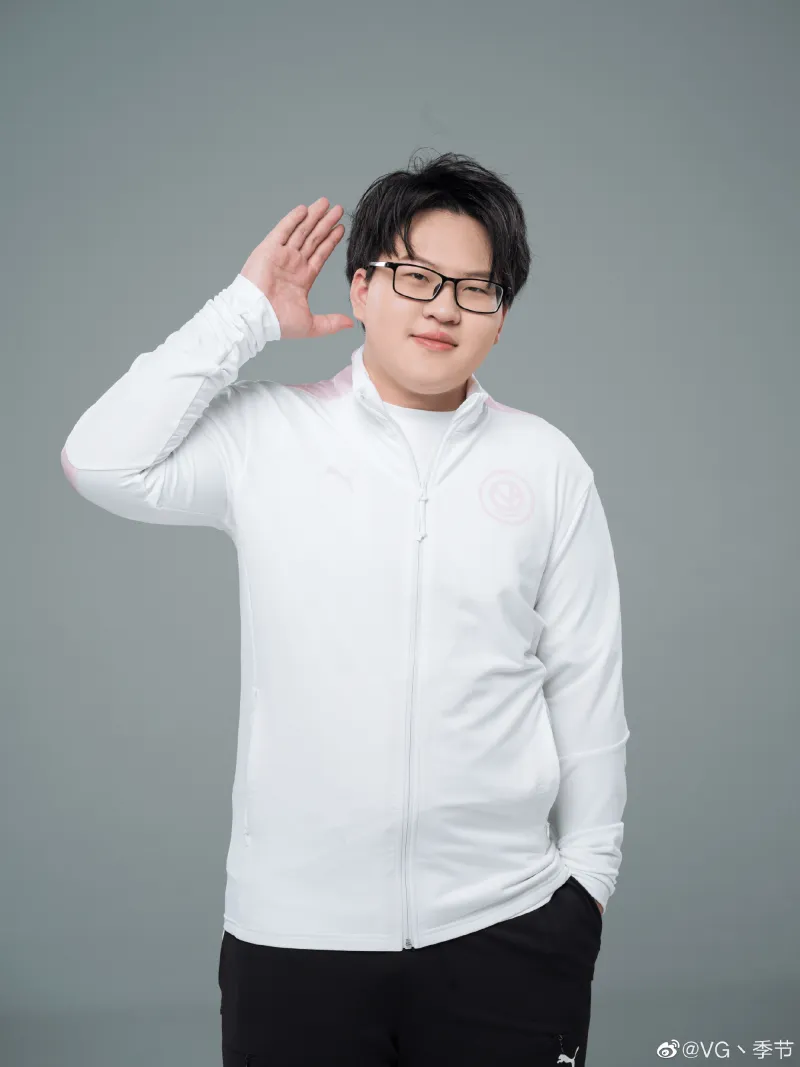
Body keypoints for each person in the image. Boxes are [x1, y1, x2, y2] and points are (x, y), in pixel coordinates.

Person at [61, 150, 628, 1066]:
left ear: (500, 316)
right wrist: (246, 313)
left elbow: (585, 684)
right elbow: (101, 460)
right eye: (416, 277)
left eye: (475, 288)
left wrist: (587, 884)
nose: (443, 307)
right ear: (361, 288)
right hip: (294, 939)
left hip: (509, 929)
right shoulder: (267, 434)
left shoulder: (546, 464)